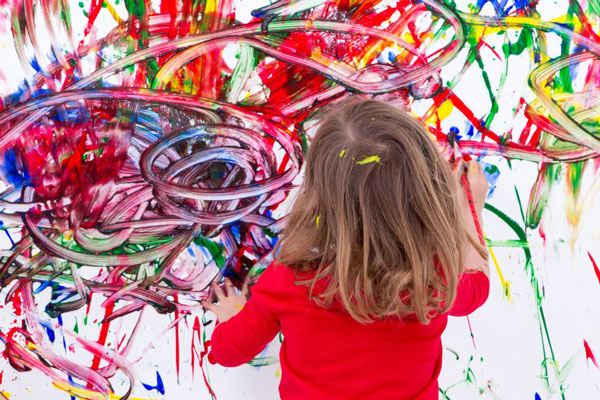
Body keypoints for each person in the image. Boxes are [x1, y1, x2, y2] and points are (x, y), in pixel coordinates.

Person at [202, 98, 490, 400]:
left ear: (318, 196)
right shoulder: (432, 281)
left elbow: (226, 353)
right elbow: (479, 286)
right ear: (427, 195)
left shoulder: (289, 282)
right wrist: (470, 208)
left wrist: (235, 315)